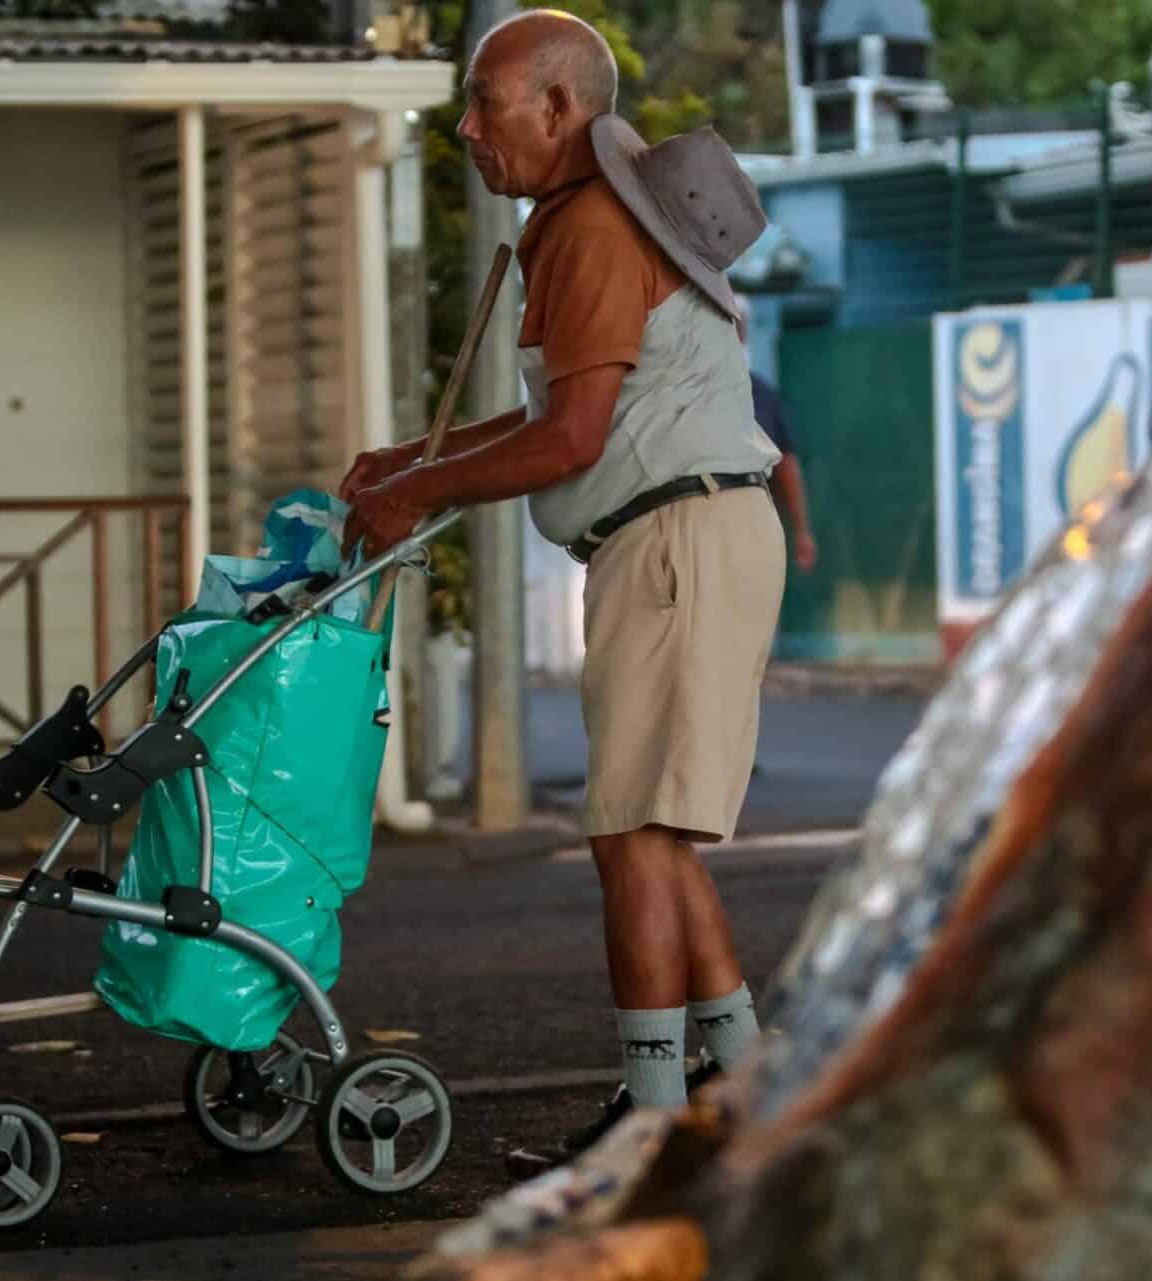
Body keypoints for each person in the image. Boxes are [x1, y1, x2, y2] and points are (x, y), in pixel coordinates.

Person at [336, 10, 785, 1176]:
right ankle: (739, 1084)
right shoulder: (588, 217)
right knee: (650, 833)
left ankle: (652, 1118)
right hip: (681, 537)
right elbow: (569, 416)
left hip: (677, 539)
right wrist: (410, 468)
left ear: (560, 107)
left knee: (633, 834)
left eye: (487, 104)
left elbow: (572, 439)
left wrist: (419, 491)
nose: (468, 131)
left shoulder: (590, 228)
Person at [736, 297, 817, 573]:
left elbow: (786, 465)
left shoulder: (762, 396)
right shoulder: (686, 393)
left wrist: (802, 530)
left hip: (752, 529)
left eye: (738, 327)